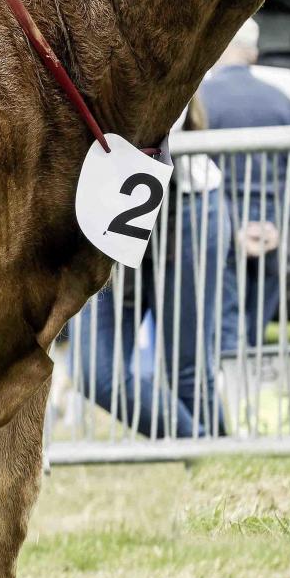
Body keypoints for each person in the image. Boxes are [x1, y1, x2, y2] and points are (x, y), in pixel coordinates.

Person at [65, 93, 234, 439]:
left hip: (188, 208)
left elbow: (143, 122)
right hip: (111, 212)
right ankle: (206, 449)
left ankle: (217, 468)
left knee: (188, 370)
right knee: (95, 372)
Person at [198, 19, 290, 352]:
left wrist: (234, 227)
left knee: (225, 336)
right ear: (254, 53)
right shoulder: (283, 101)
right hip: (272, 233)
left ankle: (228, 400)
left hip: (221, 230)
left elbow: (197, 173)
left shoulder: (200, 101)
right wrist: (275, 223)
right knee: (255, 336)